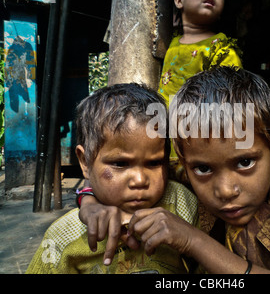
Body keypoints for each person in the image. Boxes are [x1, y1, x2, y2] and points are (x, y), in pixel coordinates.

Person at [79, 67, 270, 274]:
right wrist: (89, 201)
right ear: (185, 161)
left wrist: (192, 240)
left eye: (245, 163)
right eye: (204, 168)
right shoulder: (186, 171)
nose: (225, 190)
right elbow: (137, 175)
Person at [26, 83, 198, 274]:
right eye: (120, 164)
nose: (140, 180)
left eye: (154, 163)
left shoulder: (182, 204)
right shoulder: (64, 237)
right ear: (84, 162)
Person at [158, 0, 242, 108]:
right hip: (161, 120)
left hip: (196, 124)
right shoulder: (172, 42)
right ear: (179, 0)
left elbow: (230, 99)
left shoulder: (221, 49)